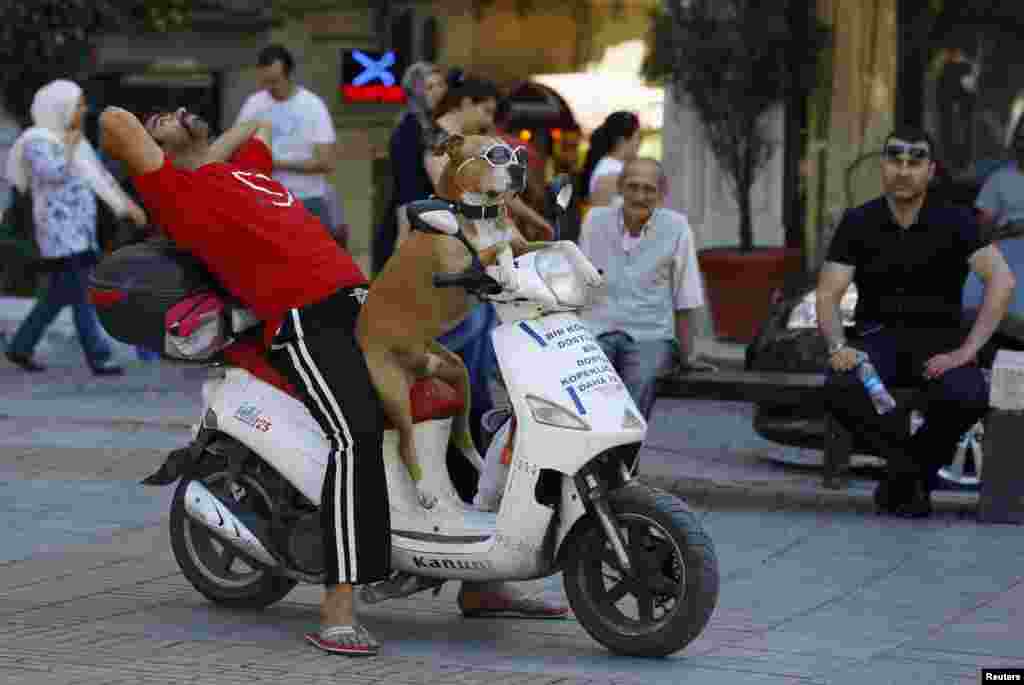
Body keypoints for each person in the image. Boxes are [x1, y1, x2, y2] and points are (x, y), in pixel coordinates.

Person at [99, 105, 389, 656]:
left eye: (185, 110)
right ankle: (338, 607)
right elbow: (116, 120)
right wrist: (179, 149)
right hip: (304, 319)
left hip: (362, 302)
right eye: (162, 116)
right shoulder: (174, 195)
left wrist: (205, 150)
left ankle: (483, 585)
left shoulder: (240, 170)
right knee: (355, 437)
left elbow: (258, 130)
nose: (179, 112)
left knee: (446, 403)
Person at [817, 126, 1015, 518]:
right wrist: (838, 347)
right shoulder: (859, 221)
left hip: (939, 341)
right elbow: (828, 293)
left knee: (969, 392)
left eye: (915, 162)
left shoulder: (957, 220)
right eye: (895, 160)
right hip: (876, 340)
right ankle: (910, 476)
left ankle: (900, 478)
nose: (904, 171)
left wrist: (967, 351)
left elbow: (1002, 282)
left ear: (931, 170)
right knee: (841, 386)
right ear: (882, 166)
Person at [4, 79, 147, 375]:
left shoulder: (75, 140)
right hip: (59, 236)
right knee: (84, 295)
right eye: (78, 104)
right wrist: (67, 148)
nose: (83, 110)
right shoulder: (36, 140)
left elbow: (99, 178)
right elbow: (52, 174)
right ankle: (99, 355)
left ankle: (20, 347)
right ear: (59, 106)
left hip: (80, 233)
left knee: (56, 298)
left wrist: (125, 205)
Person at [578, 158, 708, 422]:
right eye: (632, 187)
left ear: (662, 194)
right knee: (588, 386)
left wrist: (687, 355)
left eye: (649, 189)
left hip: (649, 335)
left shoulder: (677, 227)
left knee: (638, 383)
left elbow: (686, 296)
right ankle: (600, 457)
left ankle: (622, 457)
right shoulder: (594, 221)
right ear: (620, 188)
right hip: (597, 330)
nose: (640, 196)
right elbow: (579, 284)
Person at [235, 44, 337, 223]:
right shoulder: (253, 104)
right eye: (265, 81)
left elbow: (326, 162)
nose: (270, 87)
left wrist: (274, 163)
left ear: (288, 76)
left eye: (275, 81)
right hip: (265, 200)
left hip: (305, 199)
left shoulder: (313, 106)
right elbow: (236, 147)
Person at [372, 61, 447, 275]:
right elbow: (406, 187)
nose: (438, 92)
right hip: (410, 223)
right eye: (429, 87)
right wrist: (403, 238)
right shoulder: (408, 129)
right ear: (415, 92)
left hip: (430, 220)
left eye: (440, 85)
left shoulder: (435, 128)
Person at [578, 111, 641, 211]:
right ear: (622, 140)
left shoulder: (612, 167)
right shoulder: (610, 170)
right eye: (638, 138)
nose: (639, 144)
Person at [975, 127, 1024, 241]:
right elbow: (983, 234)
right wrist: (1008, 231)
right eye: (1021, 139)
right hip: (1007, 249)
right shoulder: (998, 179)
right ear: (1015, 144)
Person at [936, 45, 979, 174]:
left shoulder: (963, 66)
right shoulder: (950, 66)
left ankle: (960, 163)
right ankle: (955, 163)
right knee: (953, 131)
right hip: (953, 108)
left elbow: (970, 89)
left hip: (960, 109)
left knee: (961, 131)